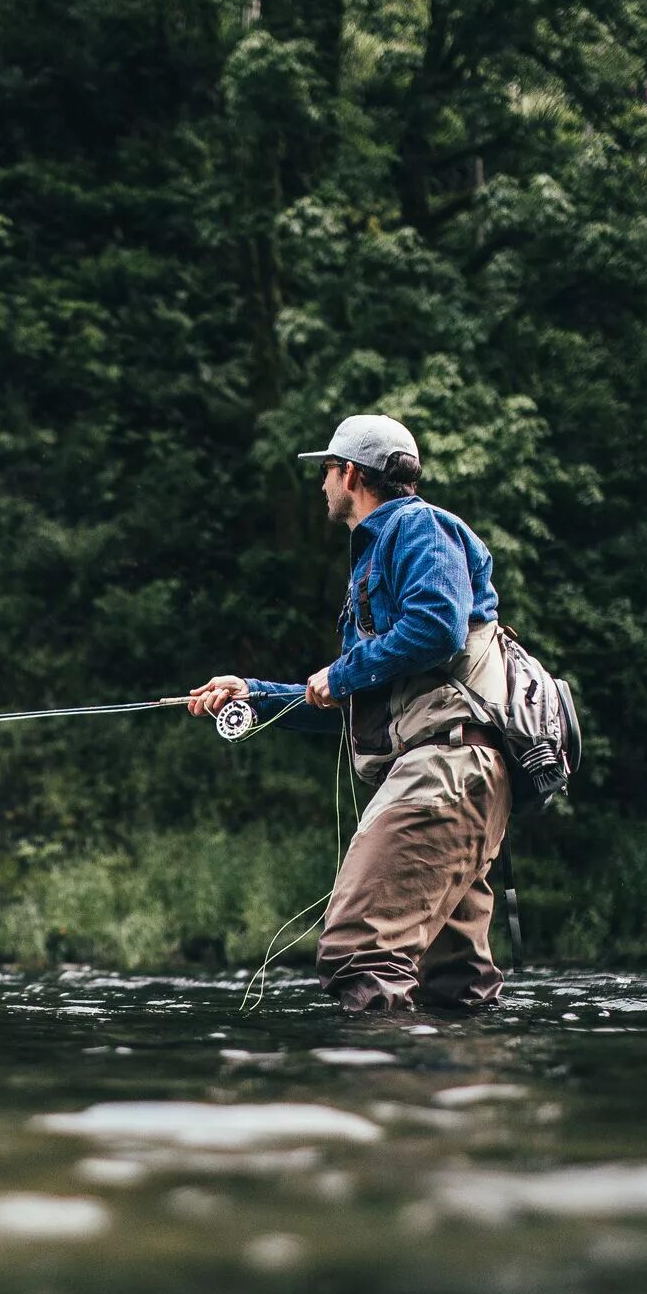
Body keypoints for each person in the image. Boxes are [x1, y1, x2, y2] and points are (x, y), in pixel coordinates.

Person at [188, 414, 511, 1014]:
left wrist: (339, 675)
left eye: (327, 472)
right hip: (449, 774)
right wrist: (251, 695)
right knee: (455, 983)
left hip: (445, 767)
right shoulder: (383, 555)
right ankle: (461, 1097)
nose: (321, 486)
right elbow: (351, 701)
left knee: (359, 949)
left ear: (352, 475)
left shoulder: (417, 527)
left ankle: (374, 1100)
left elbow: (437, 628)